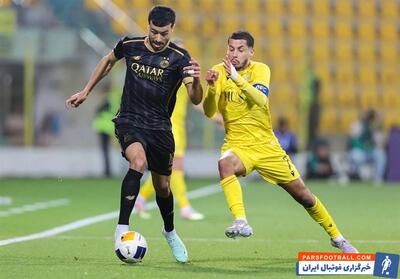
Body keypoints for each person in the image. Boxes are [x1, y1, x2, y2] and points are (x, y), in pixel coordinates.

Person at [65, 6, 203, 263]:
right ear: (147, 25)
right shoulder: (130, 45)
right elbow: (107, 60)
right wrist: (85, 91)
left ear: (172, 29)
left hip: (160, 128)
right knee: (137, 162)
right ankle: (122, 228)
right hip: (130, 120)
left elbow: (196, 99)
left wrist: (196, 81)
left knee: (163, 187)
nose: (158, 37)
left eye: (163, 33)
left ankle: (170, 232)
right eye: (153, 31)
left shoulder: (180, 58)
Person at [203, 31, 357, 253]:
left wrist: (236, 78)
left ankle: (337, 237)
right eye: (231, 49)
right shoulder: (218, 72)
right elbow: (209, 112)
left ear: (251, 52)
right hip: (237, 145)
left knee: (303, 195)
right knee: (224, 164)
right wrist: (210, 88)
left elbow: (260, 99)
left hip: (267, 147)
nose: (234, 53)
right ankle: (240, 221)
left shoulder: (261, 69)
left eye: (240, 49)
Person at [135, 42, 204, 219]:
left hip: (178, 127)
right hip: (167, 125)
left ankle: (141, 199)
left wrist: (216, 116)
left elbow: (196, 100)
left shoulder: (185, 76)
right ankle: (185, 208)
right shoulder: (164, 74)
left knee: (166, 169)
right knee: (175, 166)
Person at [347, 109, 386, 184]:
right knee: (355, 156)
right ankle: (353, 176)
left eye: (371, 116)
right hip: (360, 151)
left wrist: (379, 121)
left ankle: (377, 179)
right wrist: (364, 146)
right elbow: (353, 140)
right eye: (368, 116)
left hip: (371, 151)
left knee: (380, 155)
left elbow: (380, 142)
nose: (369, 118)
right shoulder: (357, 124)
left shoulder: (375, 126)